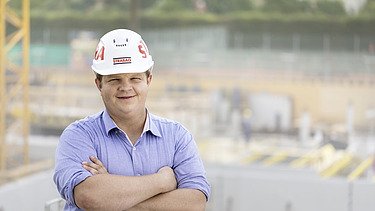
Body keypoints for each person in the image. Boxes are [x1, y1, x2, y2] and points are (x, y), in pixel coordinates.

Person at [53, 29, 210, 211]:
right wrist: (161, 182)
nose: (126, 87)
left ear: (148, 79)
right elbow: (89, 197)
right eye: (115, 80)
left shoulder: (177, 137)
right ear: (99, 84)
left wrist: (113, 197)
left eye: (135, 78)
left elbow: (195, 203)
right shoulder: (78, 136)